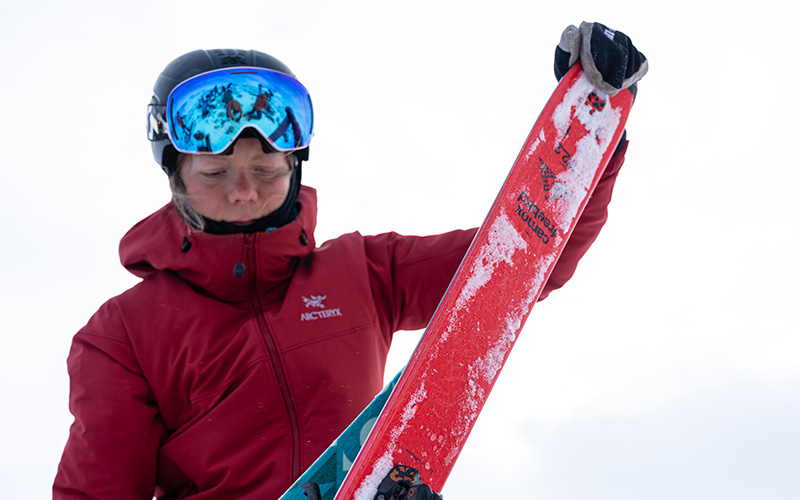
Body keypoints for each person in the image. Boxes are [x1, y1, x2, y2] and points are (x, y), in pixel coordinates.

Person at [53, 22, 647, 500]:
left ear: (295, 168)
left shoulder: (363, 272)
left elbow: (526, 262)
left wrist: (589, 126)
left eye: (265, 169)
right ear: (176, 175)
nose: (244, 192)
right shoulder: (123, 335)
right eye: (215, 173)